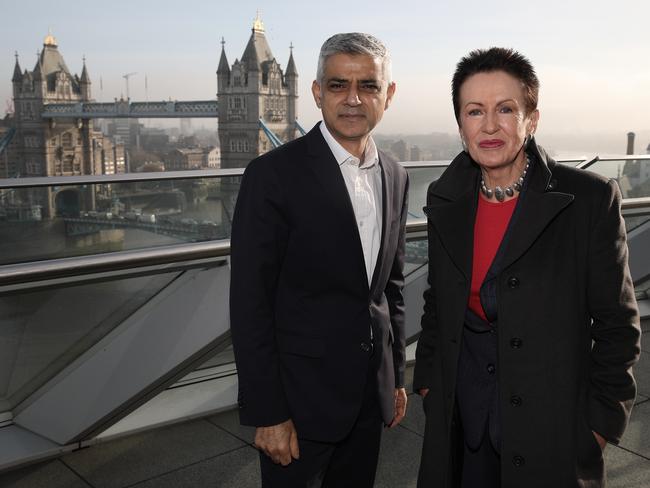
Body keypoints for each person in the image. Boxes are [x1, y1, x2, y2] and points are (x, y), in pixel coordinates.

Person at [413, 47, 641, 488]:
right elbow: (438, 304)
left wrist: (598, 426)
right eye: (474, 111)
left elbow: (618, 326)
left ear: (531, 119)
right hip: (461, 423)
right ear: (461, 124)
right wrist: (428, 384)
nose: (490, 125)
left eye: (506, 109)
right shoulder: (446, 199)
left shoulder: (588, 200)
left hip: (552, 429)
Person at [230, 32, 409, 487]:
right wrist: (267, 412)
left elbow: (391, 286)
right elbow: (250, 304)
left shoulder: (396, 174)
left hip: (370, 397)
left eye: (368, 85)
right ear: (315, 93)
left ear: (388, 95)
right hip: (298, 406)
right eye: (336, 86)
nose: (352, 99)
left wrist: (396, 376)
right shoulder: (271, 176)